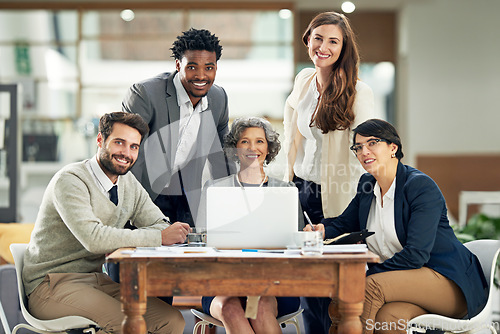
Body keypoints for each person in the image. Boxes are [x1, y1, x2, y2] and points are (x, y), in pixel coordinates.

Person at [302, 119, 489, 334]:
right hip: (406, 283)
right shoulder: (367, 184)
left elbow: (416, 254)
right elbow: (344, 223)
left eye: (373, 143)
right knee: (387, 318)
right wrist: (322, 230)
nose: (364, 151)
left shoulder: (419, 186)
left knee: (368, 288)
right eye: (358, 147)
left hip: (447, 282)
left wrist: (369, 275)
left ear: (393, 148)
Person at [23, 112, 191, 334]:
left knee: (171, 320)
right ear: (100, 140)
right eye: (119, 143)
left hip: (95, 280)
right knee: (130, 326)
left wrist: (161, 232)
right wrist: (159, 237)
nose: (126, 153)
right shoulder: (71, 180)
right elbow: (94, 238)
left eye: (134, 147)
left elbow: (159, 222)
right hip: (51, 284)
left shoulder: (127, 182)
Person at [122, 27, 236, 227]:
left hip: (185, 197)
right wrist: (131, 208)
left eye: (209, 67)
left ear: (216, 67)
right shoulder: (145, 95)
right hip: (145, 193)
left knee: (187, 255)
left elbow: (222, 159)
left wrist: (230, 203)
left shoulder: (219, 99)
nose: (201, 75)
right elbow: (130, 154)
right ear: (178, 65)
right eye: (192, 67)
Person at [200, 117, 301, 334]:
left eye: (259, 141)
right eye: (245, 141)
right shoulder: (215, 189)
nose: (252, 147)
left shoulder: (286, 190)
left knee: (261, 308)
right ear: (235, 148)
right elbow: (202, 238)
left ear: (269, 148)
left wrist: (307, 235)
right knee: (230, 309)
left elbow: (297, 241)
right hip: (223, 283)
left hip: (275, 284)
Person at [283, 11, 374, 225]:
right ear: (308, 39)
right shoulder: (304, 79)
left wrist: (356, 205)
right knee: (297, 255)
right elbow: (291, 117)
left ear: (343, 48)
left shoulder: (358, 92)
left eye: (333, 41)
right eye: (318, 38)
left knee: (332, 255)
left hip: (335, 194)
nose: (323, 48)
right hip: (299, 187)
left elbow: (362, 152)